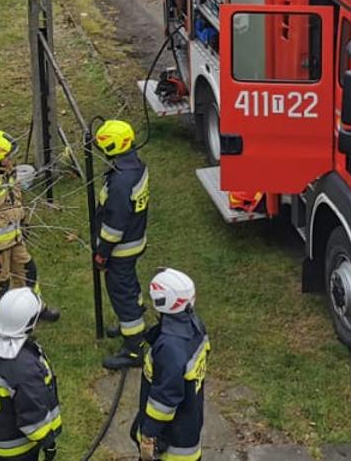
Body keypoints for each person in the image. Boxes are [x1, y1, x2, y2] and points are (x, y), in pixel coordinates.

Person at [0, 130, 60, 326]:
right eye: (7, 156)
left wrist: (23, 224)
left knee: (28, 272)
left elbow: (16, 200)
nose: (11, 159)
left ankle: (34, 309)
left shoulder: (7, 172)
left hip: (15, 239)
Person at [0, 288, 63, 460]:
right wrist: (48, 441)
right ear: (27, 324)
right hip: (18, 449)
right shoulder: (24, 370)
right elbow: (34, 419)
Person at [131, 269, 209, 461]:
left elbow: (165, 399)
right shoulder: (194, 325)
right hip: (189, 424)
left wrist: (149, 435)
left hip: (172, 441)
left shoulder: (169, 347)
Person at [92, 119, 150, 369]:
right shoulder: (135, 166)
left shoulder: (120, 183)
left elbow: (114, 227)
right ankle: (134, 319)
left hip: (120, 249)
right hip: (135, 242)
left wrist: (102, 254)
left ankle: (133, 348)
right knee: (130, 285)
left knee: (121, 293)